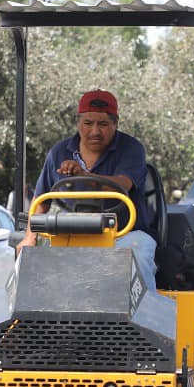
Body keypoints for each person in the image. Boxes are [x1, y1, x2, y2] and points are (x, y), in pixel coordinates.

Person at [24, 89, 158, 291]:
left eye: (103, 124)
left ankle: (144, 316)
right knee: (30, 262)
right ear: (78, 123)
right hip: (71, 236)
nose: (95, 131)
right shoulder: (58, 153)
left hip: (123, 234)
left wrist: (84, 175)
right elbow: (41, 200)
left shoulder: (131, 149)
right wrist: (29, 237)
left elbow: (122, 184)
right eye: (88, 123)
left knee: (138, 253)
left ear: (115, 123)